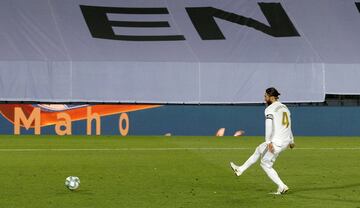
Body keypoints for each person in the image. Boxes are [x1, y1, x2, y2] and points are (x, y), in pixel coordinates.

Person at [230, 87, 295, 194]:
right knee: (259, 149)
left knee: (265, 164)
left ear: (272, 97)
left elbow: (268, 126)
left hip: (276, 142)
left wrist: (269, 142)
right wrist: (292, 141)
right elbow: (288, 126)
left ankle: (282, 186)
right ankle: (240, 169)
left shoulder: (270, 109)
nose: (264, 98)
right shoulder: (284, 107)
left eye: (266, 96)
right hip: (285, 141)